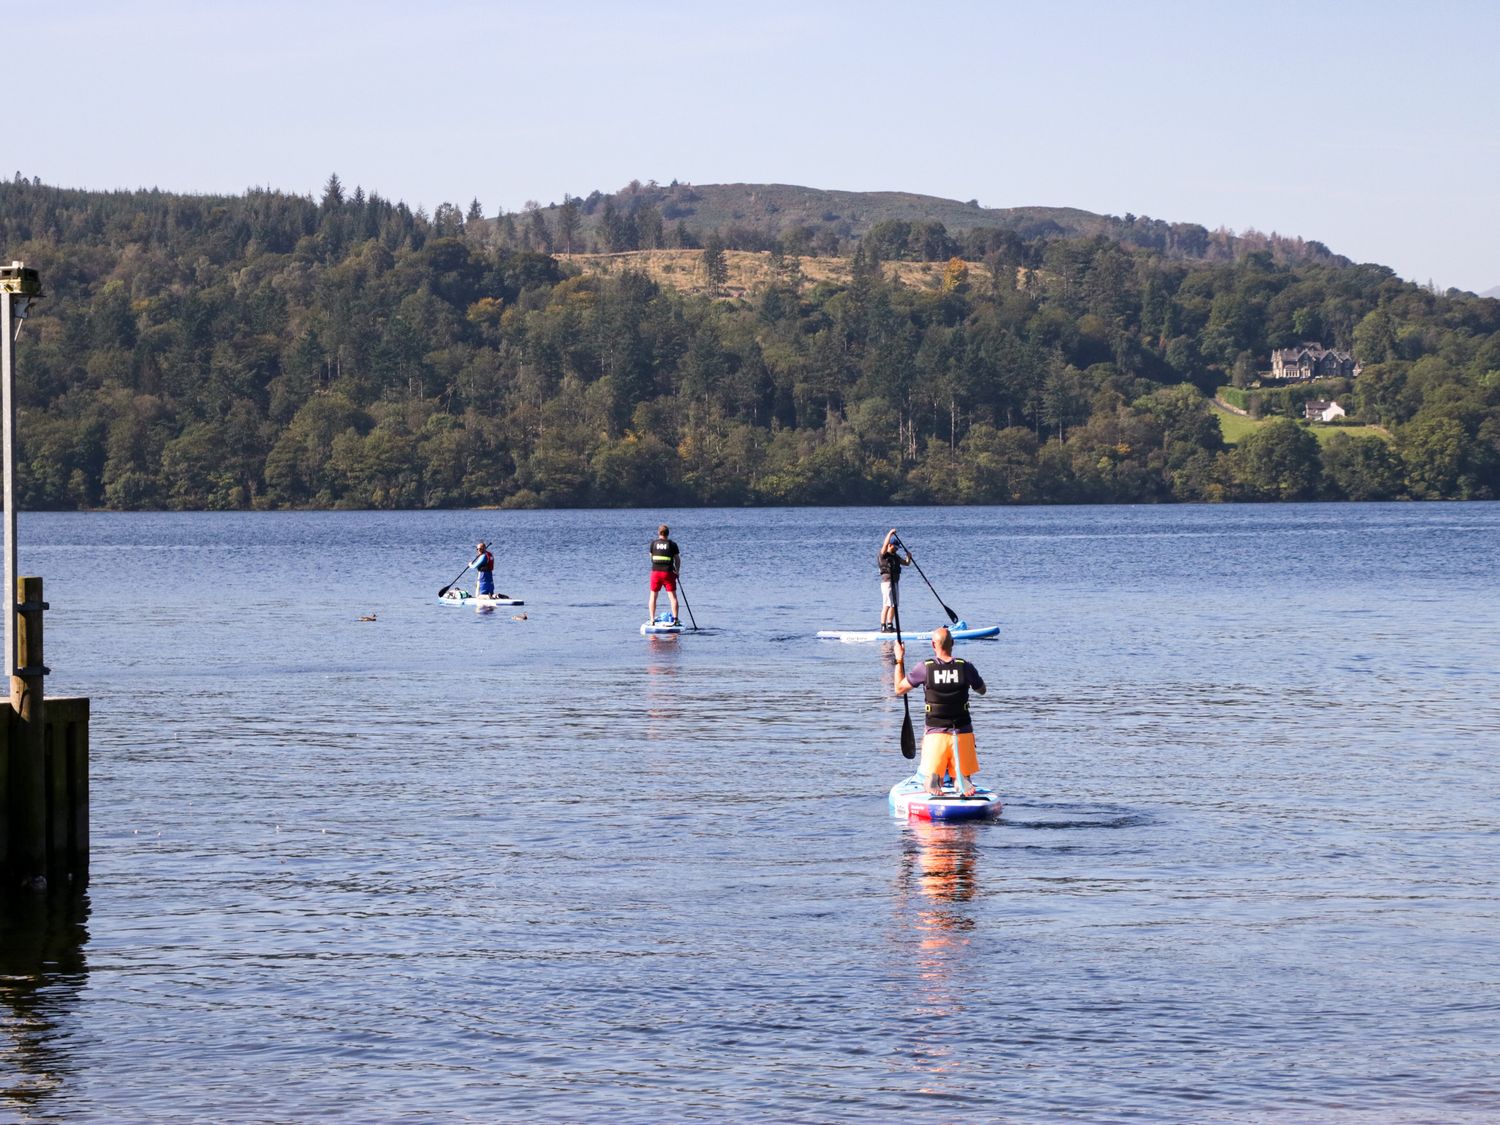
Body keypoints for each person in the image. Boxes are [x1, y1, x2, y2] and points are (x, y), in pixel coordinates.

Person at [893, 626, 987, 797]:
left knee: (933, 772)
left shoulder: (925, 668)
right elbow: (982, 690)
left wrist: (899, 660)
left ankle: (934, 779)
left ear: (933, 645)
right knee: (963, 775)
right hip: (962, 734)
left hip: (935, 734)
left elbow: (899, 689)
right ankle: (961, 779)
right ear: (952, 643)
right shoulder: (965, 667)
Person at [878, 528, 913, 632]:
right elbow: (884, 545)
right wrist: (889, 533)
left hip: (895, 582)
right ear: (890, 545)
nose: (897, 549)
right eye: (895, 547)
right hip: (887, 582)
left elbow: (906, 563)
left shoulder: (895, 556)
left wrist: (909, 557)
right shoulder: (884, 554)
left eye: (898, 548)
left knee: (895, 604)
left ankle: (890, 625)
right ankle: (883, 626)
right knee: (887, 604)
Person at [647, 523, 680, 624]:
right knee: (673, 597)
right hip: (668, 573)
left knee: (653, 596)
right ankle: (675, 620)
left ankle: (652, 619)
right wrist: (677, 571)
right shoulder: (672, 544)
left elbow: (651, 557)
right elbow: (677, 560)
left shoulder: (653, 543)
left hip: (655, 572)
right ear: (668, 534)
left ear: (658, 533)